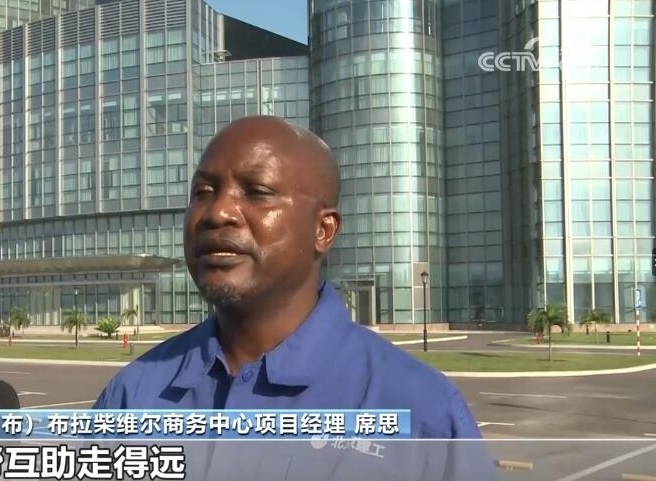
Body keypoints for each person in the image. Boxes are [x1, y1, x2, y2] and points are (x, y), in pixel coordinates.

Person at [91, 116, 499, 479]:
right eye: (203, 191)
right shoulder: (132, 396)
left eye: (257, 191)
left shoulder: (420, 410)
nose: (218, 212)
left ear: (323, 230)